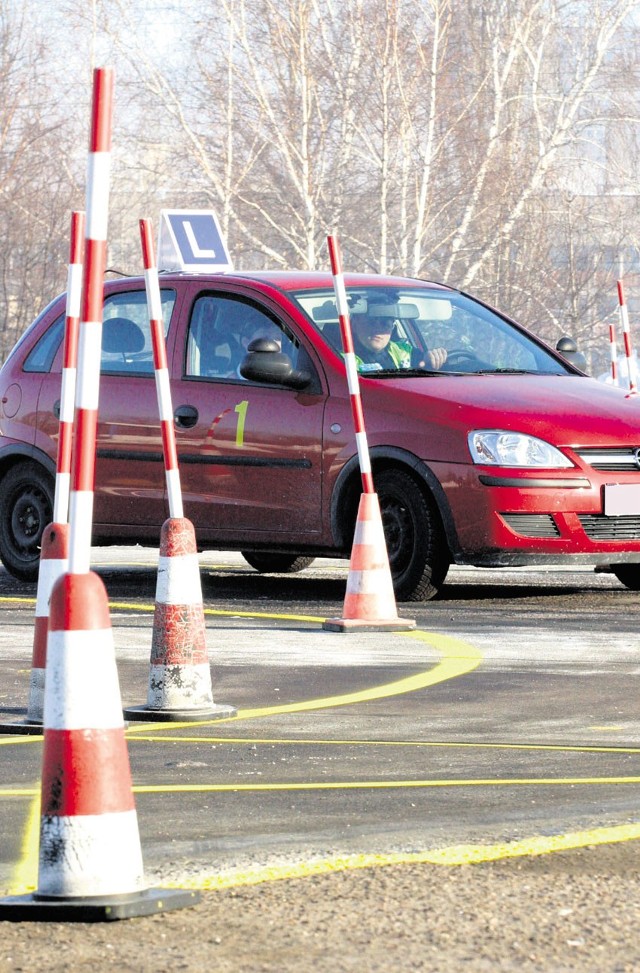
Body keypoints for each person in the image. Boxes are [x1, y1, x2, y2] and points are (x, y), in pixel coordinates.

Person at [350, 307, 448, 373]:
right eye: (371, 322)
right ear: (354, 325)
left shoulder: (406, 352)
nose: (378, 329)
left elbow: (422, 368)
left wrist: (432, 361)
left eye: (385, 323)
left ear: (392, 328)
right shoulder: (343, 359)